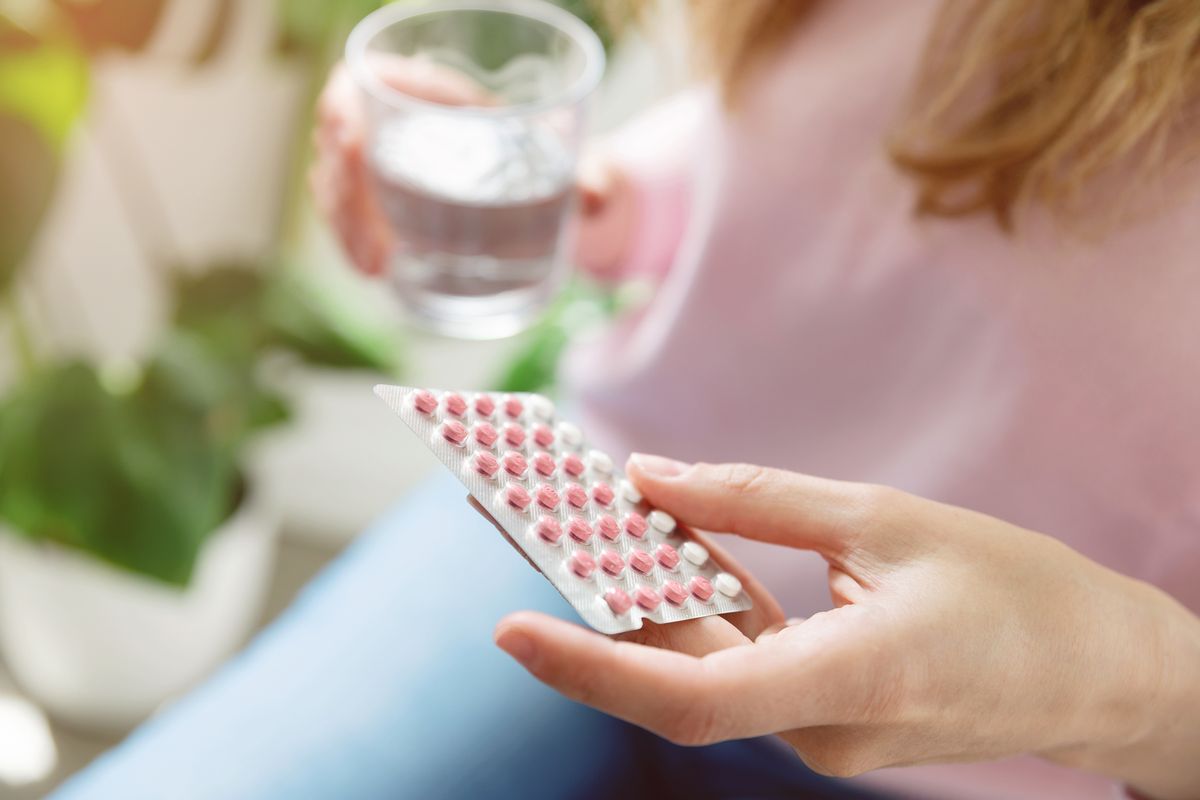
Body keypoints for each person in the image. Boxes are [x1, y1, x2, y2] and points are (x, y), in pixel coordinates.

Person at [59, 1, 1200, 798]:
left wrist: (1136, 682)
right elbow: (839, 125)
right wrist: (581, 199)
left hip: (1058, 763)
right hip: (604, 532)